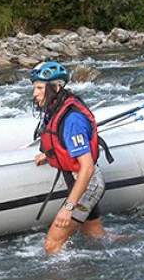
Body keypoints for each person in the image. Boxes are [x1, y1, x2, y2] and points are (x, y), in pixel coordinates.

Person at [31, 61, 108, 254]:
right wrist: (50, 156)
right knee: (95, 234)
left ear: (56, 87)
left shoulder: (72, 119)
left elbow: (87, 168)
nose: (35, 94)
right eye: (34, 88)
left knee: (52, 245)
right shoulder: (56, 107)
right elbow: (63, 144)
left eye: (40, 88)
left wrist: (68, 207)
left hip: (87, 184)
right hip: (76, 179)